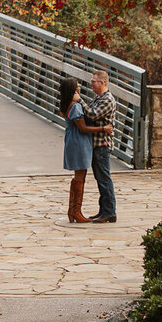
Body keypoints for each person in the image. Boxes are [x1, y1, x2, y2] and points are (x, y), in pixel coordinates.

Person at [58, 76, 109, 224]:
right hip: (79, 142)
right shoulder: (76, 106)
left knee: (77, 177)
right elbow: (83, 128)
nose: (80, 88)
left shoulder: (68, 104)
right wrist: (103, 128)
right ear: (73, 90)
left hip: (72, 140)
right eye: (77, 86)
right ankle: (76, 212)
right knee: (80, 177)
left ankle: (72, 210)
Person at [82, 70, 118, 222]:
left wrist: (79, 101)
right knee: (100, 178)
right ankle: (103, 210)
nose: (91, 84)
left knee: (104, 178)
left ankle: (109, 212)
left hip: (102, 145)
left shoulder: (107, 100)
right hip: (96, 144)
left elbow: (91, 114)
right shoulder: (99, 98)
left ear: (102, 82)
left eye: (93, 81)